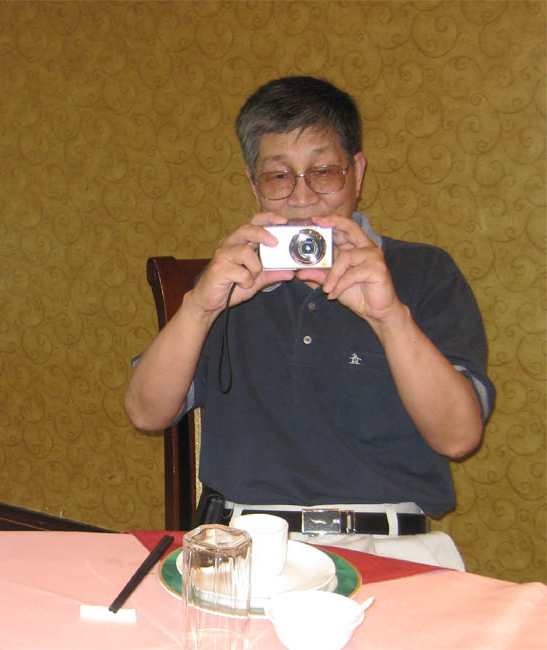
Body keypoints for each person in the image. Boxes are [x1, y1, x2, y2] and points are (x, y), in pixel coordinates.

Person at [124, 77, 494, 570]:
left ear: (357, 173)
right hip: (246, 545)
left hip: (390, 545)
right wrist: (200, 308)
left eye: (323, 171)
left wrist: (388, 317)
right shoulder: (229, 282)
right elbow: (145, 413)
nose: (302, 197)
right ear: (253, 183)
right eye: (278, 176)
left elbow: (458, 437)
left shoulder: (424, 271)